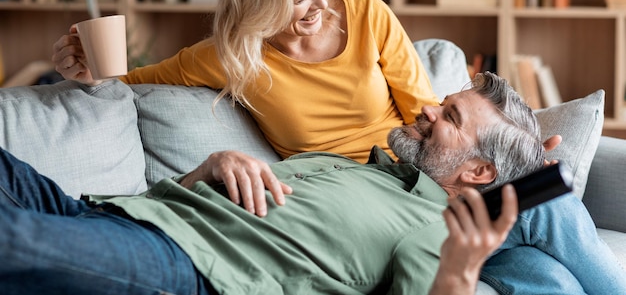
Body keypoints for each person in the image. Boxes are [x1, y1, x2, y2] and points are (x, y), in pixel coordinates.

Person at [2, 72, 624, 295]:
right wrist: (205, 168)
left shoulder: (441, 236)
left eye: (451, 117)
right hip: (114, 210)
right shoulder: (362, 166)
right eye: (442, 101)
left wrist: (465, 270)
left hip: (179, 264)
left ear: (478, 173)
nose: (429, 110)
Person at [52, 0, 440, 165]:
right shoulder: (229, 58)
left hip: (404, 173)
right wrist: (84, 68)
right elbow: (128, 81)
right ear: (257, 3)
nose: (321, 3)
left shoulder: (364, 11)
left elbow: (425, 115)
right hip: (326, 191)